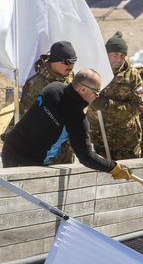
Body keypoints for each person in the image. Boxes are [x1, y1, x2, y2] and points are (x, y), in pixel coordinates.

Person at [1, 69, 131, 181]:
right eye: (96, 92)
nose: (97, 96)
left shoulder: (53, 88)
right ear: (83, 88)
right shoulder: (76, 118)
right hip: (29, 163)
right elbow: (86, 157)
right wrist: (114, 168)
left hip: (10, 147)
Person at [87, 31, 143, 160]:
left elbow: (140, 106)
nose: (119, 59)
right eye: (115, 54)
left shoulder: (132, 76)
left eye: (122, 55)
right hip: (98, 140)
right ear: (106, 54)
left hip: (126, 142)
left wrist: (108, 105)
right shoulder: (93, 72)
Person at [15, 41, 77, 164]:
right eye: (67, 62)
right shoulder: (36, 84)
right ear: (54, 61)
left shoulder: (71, 78)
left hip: (67, 150)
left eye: (74, 61)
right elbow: (29, 119)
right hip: (45, 151)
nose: (71, 66)